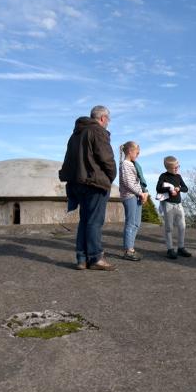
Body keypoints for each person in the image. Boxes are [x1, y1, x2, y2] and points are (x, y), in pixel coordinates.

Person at [59, 105, 117, 271]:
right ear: (102, 118)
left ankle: (82, 259)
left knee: (85, 220)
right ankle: (96, 257)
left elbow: (68, 160)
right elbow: (107, 159)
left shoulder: (75, 134)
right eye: (108, 119)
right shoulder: (97, 131)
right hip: (94, 183)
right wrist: (110, 177)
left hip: (78, 183)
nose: (108, 123)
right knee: (95, 221)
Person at [156, 156, 191, 260]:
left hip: (179, 205)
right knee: (169, 228)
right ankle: (170, 249)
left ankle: (181, 247)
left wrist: (178, 188)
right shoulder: (163, 176)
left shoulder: (179, 177)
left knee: (182, 226)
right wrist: (169, 189)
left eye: (178, 167)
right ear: (168, 168)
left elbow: (186, 188)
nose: (177, 169)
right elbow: (158, 188)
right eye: (175, 167)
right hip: (168, 204)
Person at [119, 141, 149, 261]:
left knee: (137, 223)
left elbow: (134, 182)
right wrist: (141, 193)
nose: (138, 154)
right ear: (130, 151)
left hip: (136, 196)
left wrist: (142, 194)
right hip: (130, 196)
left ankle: (131, 247)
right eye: (137, 152)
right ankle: (128, 250)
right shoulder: (126, 164)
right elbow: (129, 183)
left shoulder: (131, 164)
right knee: (131, 223)